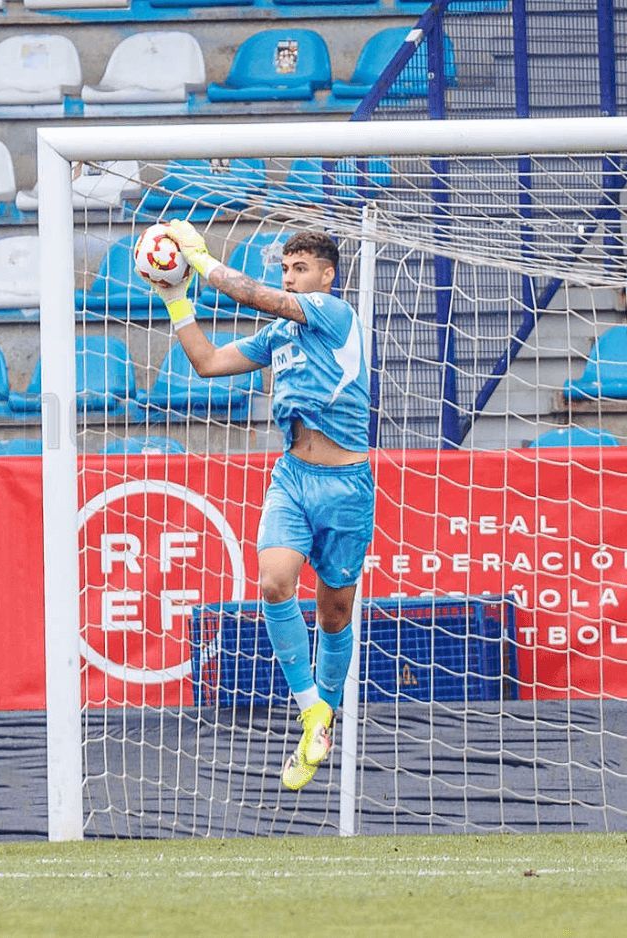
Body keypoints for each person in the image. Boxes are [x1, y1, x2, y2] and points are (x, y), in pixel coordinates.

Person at [153, 220, 371, 790]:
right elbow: (206, 362)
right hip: (293, 478)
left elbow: (253, 294)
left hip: (347, 486)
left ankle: (321, 715)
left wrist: (202, 263)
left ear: (327, 275)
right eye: (286, 269)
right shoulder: (279, 336)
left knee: (334, 614)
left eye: (300, 270)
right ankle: (313, 712)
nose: (290, 280)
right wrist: (177, 299)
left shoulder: (334, 314)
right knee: (274, 584)